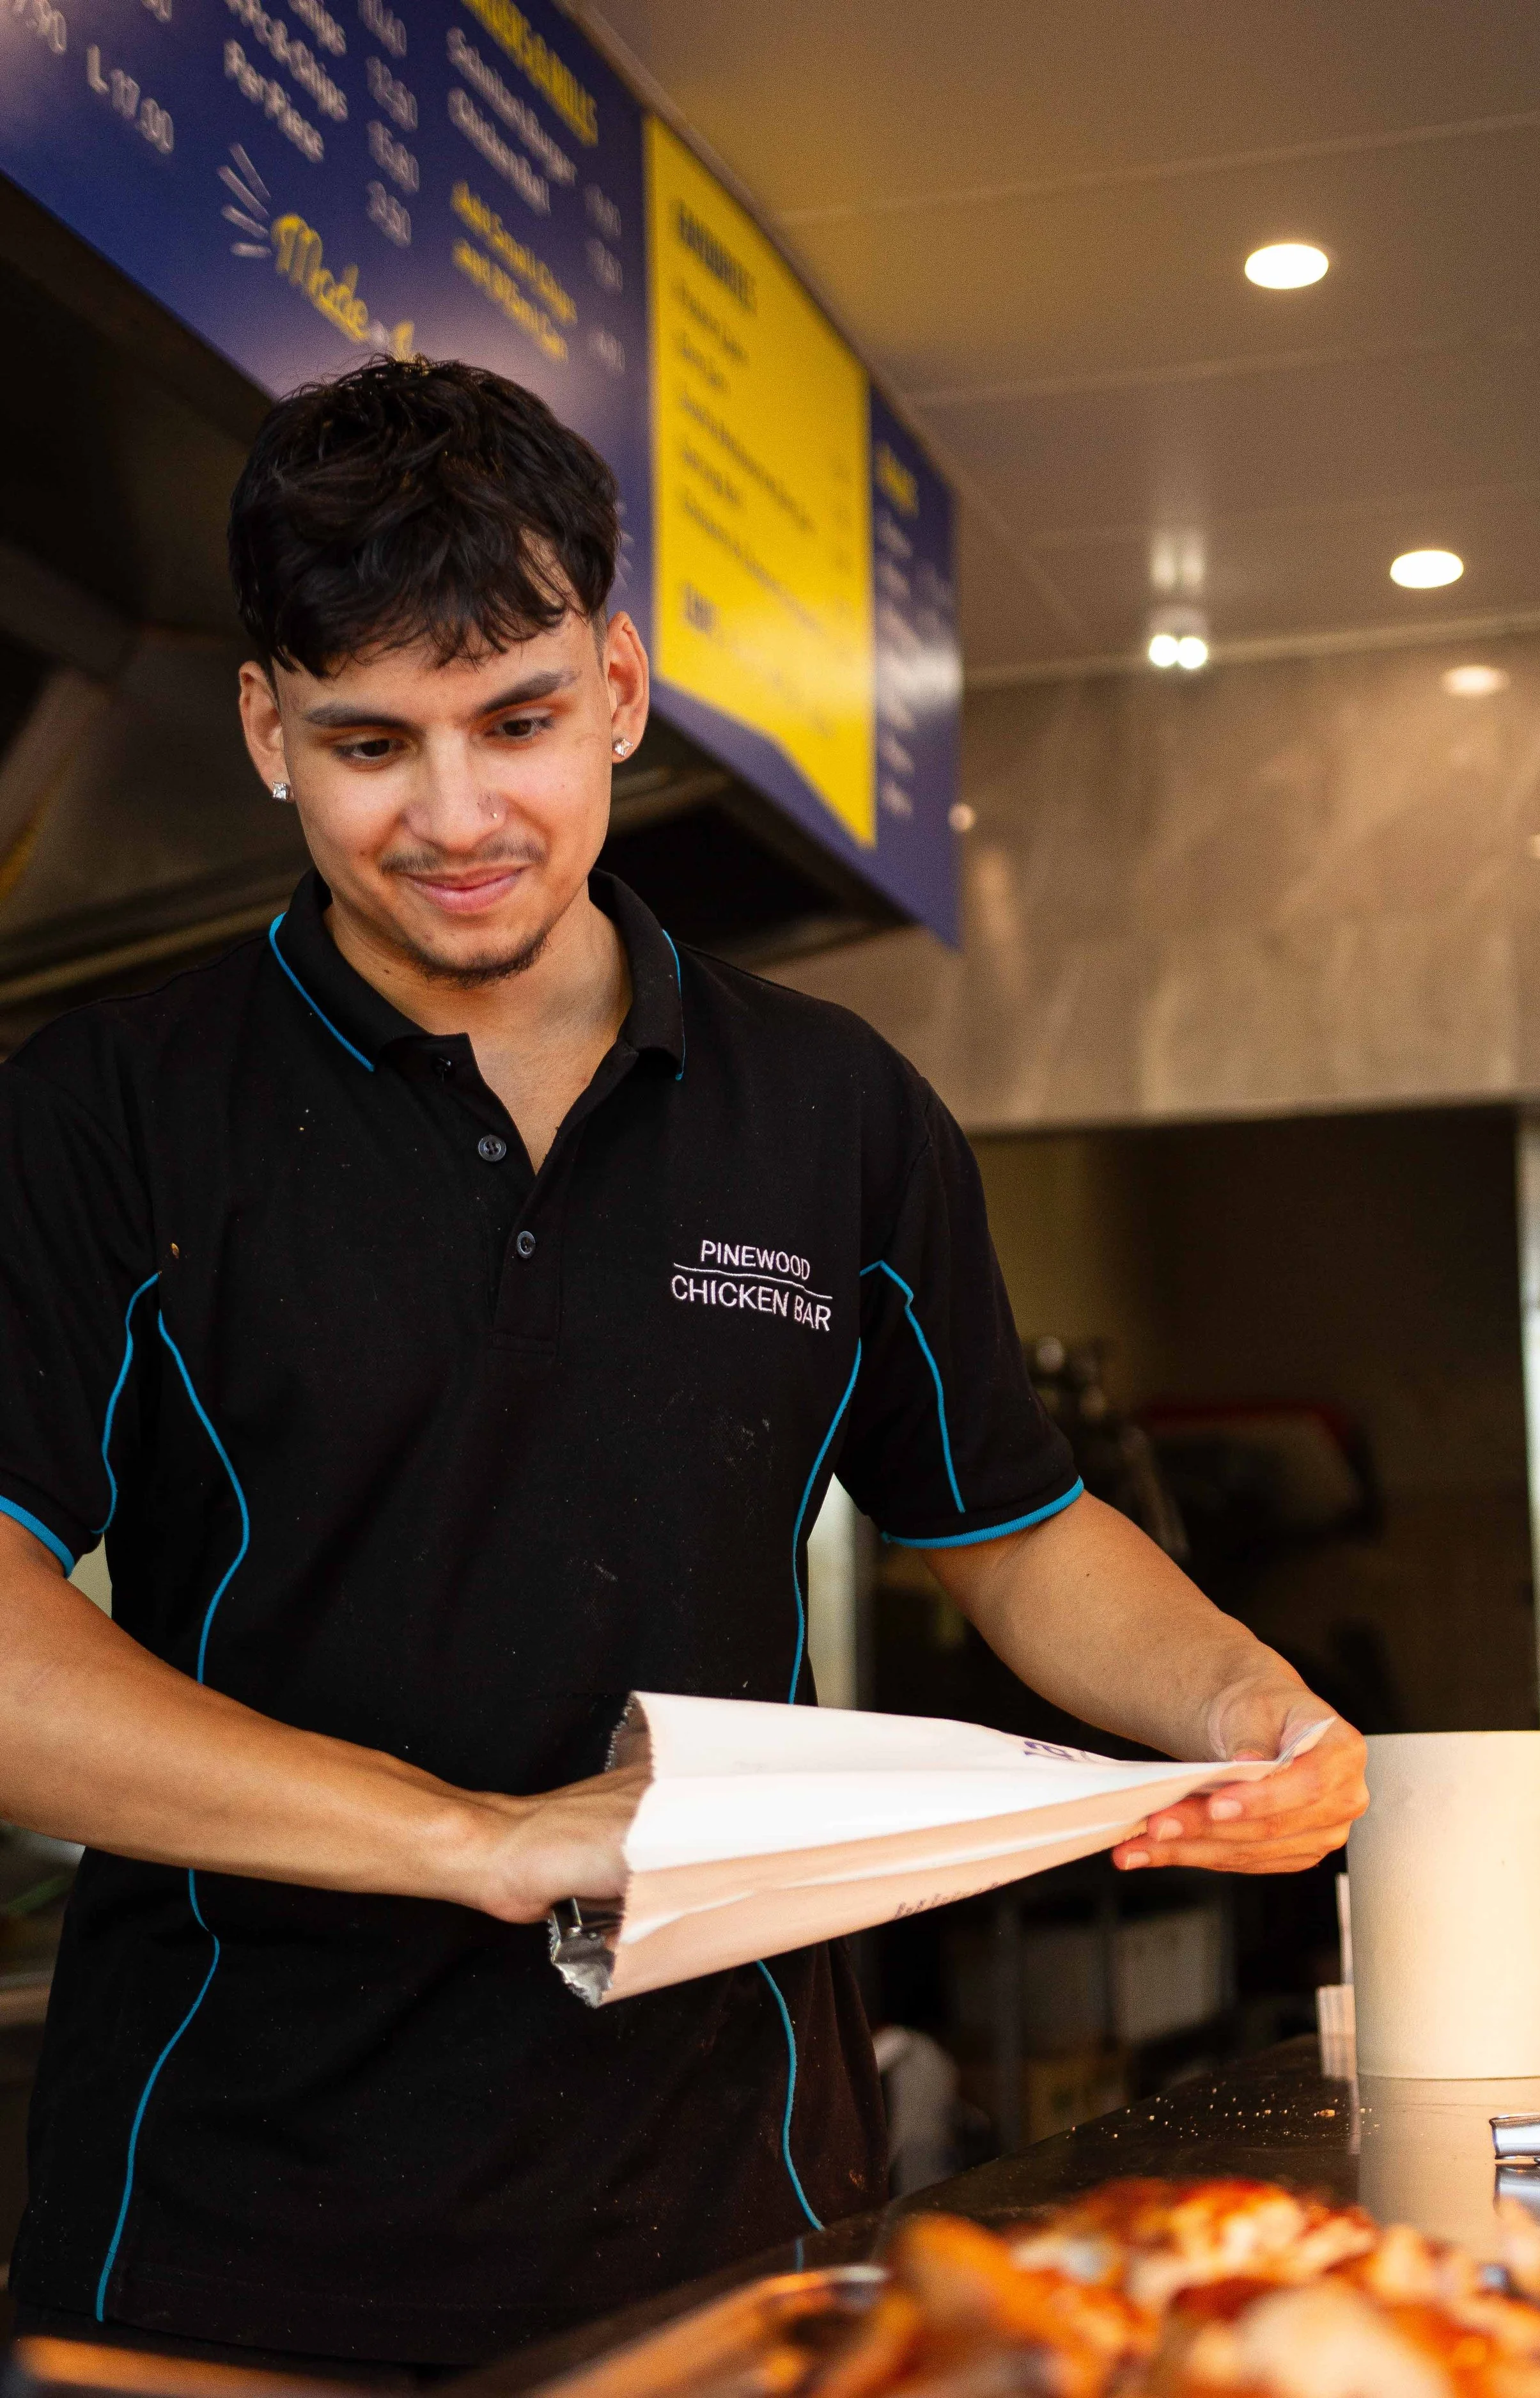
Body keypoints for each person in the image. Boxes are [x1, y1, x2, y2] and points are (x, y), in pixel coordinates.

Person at [0, 359, 1367, 2376]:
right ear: (265, 731)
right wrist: (485, 1837)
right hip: (226, 2240)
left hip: (733, 2214)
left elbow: (1008, 1522)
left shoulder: (830, 1112)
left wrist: (1248, 1702)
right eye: (371, 740)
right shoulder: (109, 1106)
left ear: (620, 690)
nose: (455, 818)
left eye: (520, 722)